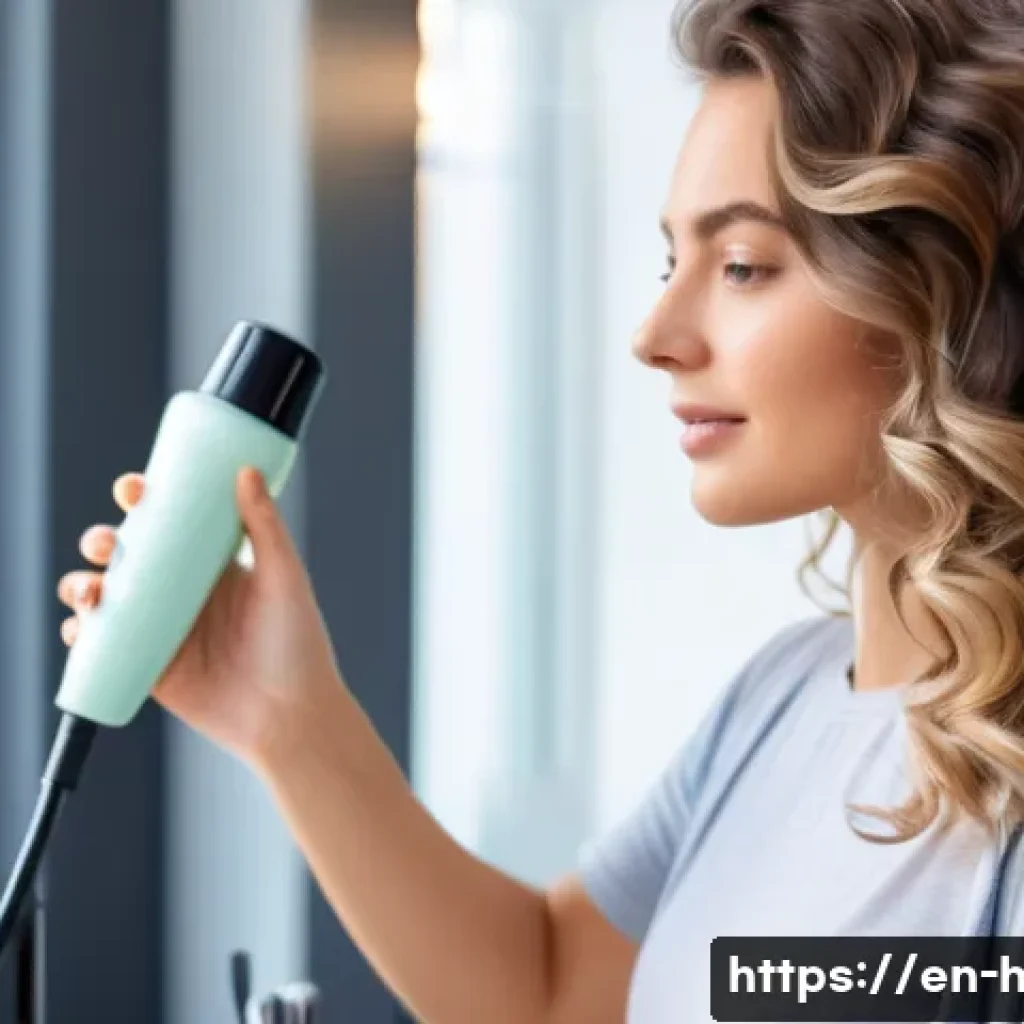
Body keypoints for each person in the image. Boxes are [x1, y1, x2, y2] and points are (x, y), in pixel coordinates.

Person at [56, 0, 1024, 1020]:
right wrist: (287, 721)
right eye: (671, 262)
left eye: (740, 265)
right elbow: (550, 989)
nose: (655, 332)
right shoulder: (779, 701)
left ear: (949, 302)